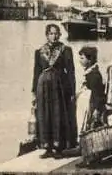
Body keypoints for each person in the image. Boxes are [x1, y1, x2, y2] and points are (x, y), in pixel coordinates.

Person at [32, 24, 78, 159]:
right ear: (47, 35)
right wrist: (34, 91)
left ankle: (59, 147)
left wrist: (72, 90)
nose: (54, 36)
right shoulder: (39, 51)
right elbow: (36, 73)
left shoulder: (65, 50)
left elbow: (70, 72)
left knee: (58, 115)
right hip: (43, 88)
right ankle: (47, 146)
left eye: (56, 33)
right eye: (51, 33)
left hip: (59, 87)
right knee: (44, 115)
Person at [78, 46, 107, 130]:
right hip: (89, 102)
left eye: (82, 58)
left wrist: (97, 109)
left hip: (92, 104)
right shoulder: (90, 72)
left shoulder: (94, 75)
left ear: (89, 60)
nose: (80, 60)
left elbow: (97, 93)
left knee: (93, 125)